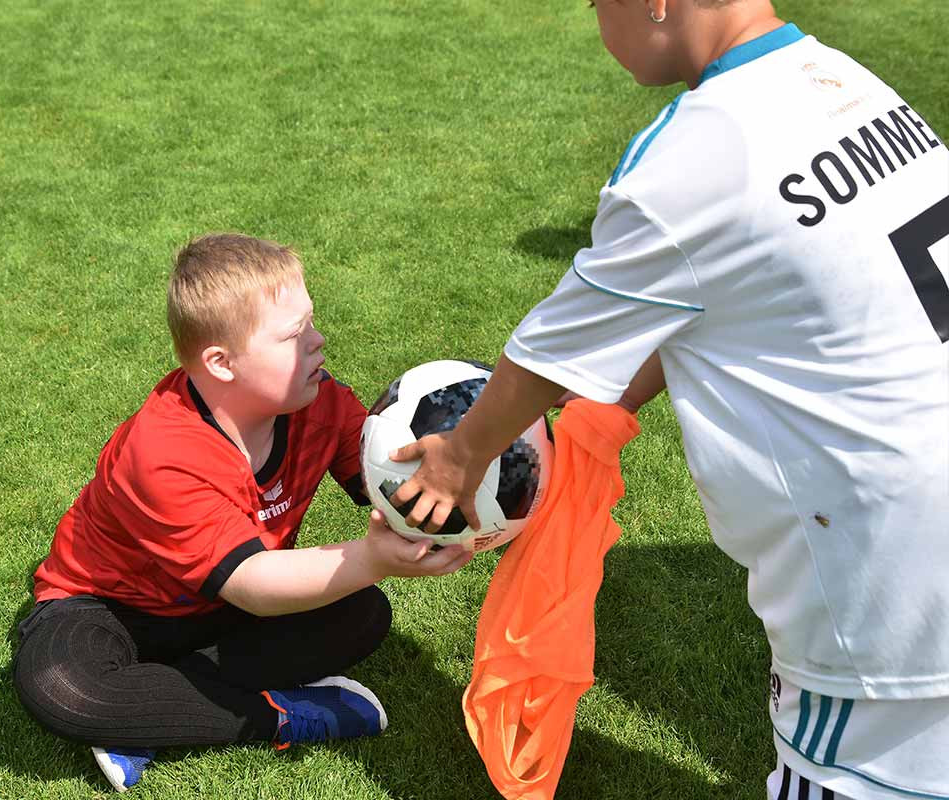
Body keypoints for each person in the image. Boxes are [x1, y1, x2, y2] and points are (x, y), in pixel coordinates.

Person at [390, 2, 949, 798]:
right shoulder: (847, 84)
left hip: (888, 578)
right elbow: (714, 300)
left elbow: (546, 352)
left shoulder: (693, 153)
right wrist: (594, 421)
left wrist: (458, 458)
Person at [13, 233, 472, 793]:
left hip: (220, 607)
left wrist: (470, 493)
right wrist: (372, 557)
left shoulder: (319, 403)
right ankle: (283, 715)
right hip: (110, 605)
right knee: (65, 689)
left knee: (363, 614)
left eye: (311, 322)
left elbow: (397, 484)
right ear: (220, 362)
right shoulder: (164, 452)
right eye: (293, 335)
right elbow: (253, 583)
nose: (319, 342)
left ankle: (149, 714)